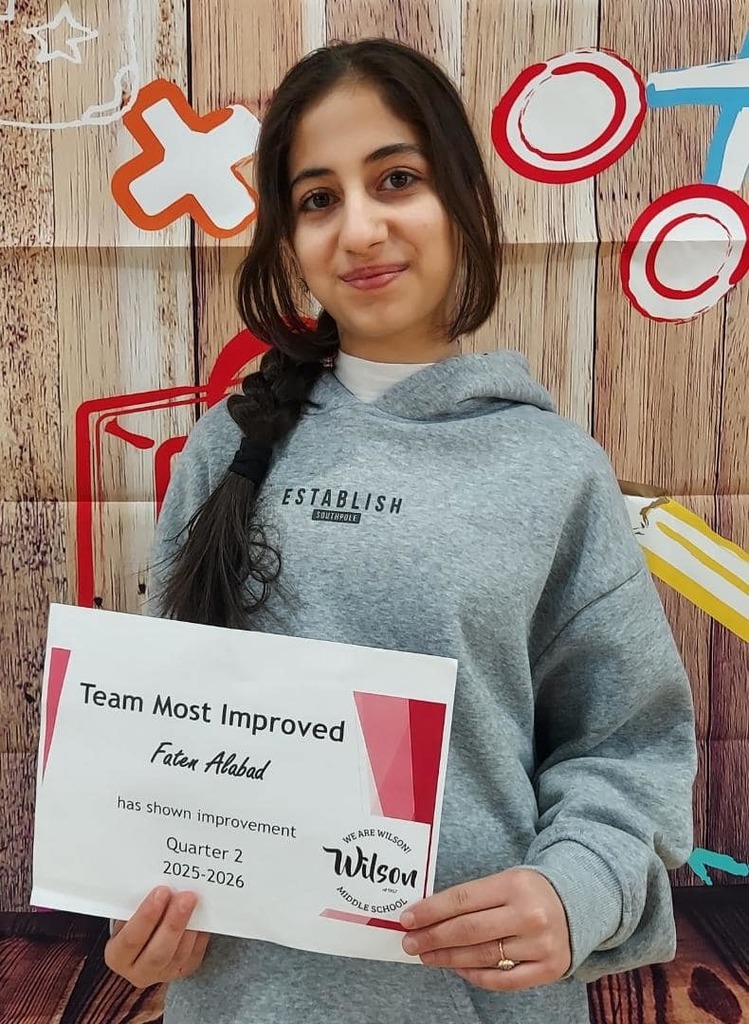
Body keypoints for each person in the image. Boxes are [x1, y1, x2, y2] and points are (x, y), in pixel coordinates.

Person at [104, 36, 697, 1024]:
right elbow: (160, 746)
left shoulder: (553, 470)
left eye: (396, 178)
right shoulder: (223, 453)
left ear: (460, 200)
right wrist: (130, 905)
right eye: (317, 197)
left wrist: (574, 889)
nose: (360, 227)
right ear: (287, 240)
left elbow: (624, 744)